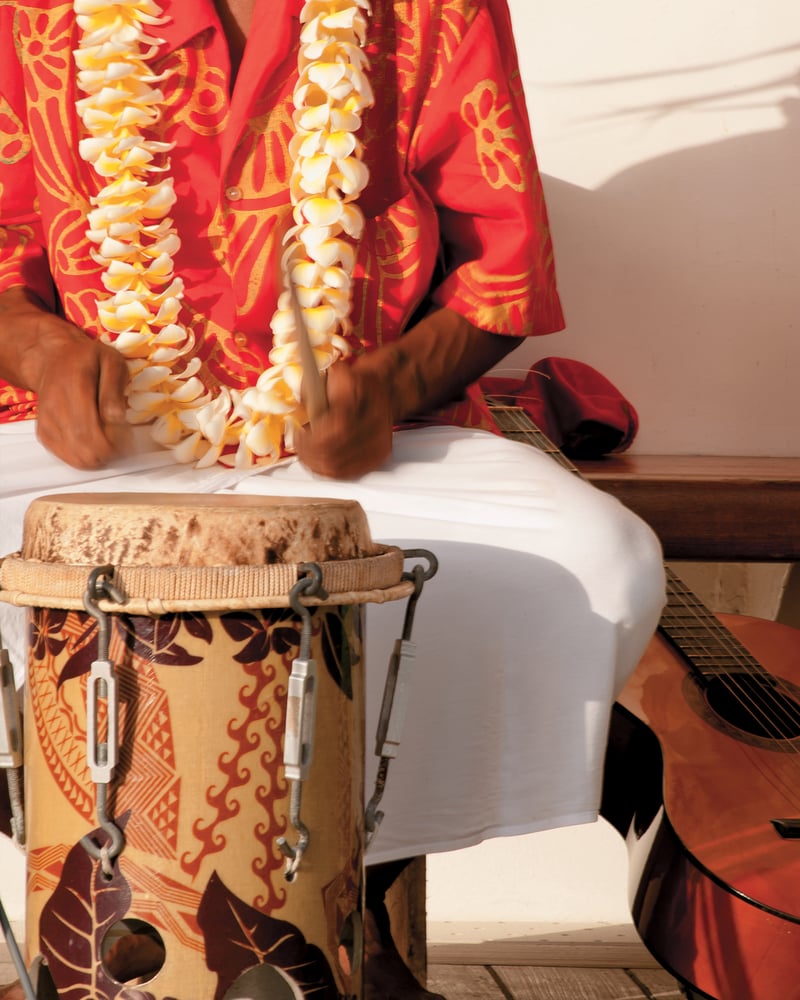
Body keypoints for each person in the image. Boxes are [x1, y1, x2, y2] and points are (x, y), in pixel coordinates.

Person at [0, 1, 667, 998]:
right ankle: (81, 920)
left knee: (598, 557)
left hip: (364, 439)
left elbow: (504, 272)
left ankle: (353, 907)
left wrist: (388, 386)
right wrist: (45, 351)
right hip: (94, 442)